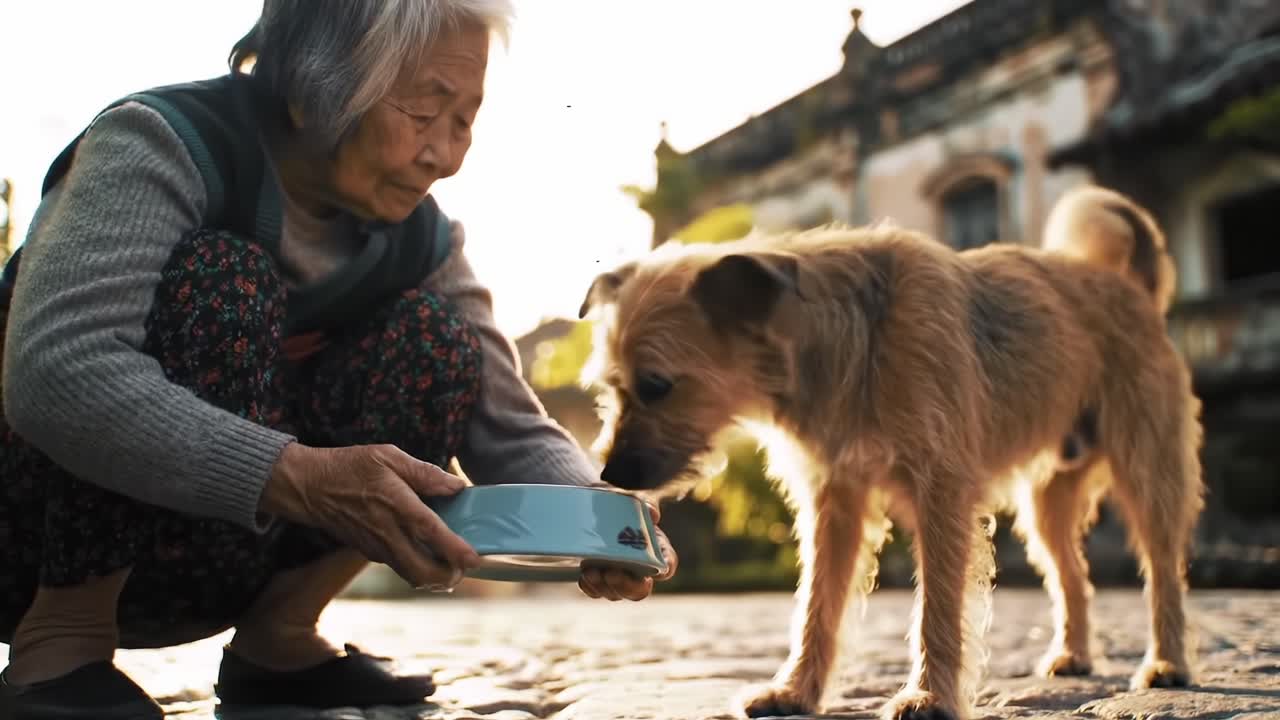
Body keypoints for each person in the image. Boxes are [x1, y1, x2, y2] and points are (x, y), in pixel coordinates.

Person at [0, 1, 677, 716]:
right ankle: (61, 647)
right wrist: (296, 475)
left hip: (213, 562)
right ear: (312, 86)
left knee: (436, 342)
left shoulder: (423, 241)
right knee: (224, 280)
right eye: (423, 111)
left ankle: (280, 638)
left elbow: (505, 422)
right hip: (29, 541)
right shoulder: (160, 144)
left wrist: (605, 520)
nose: (445, 155)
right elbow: (58, 371)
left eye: (465, 120)